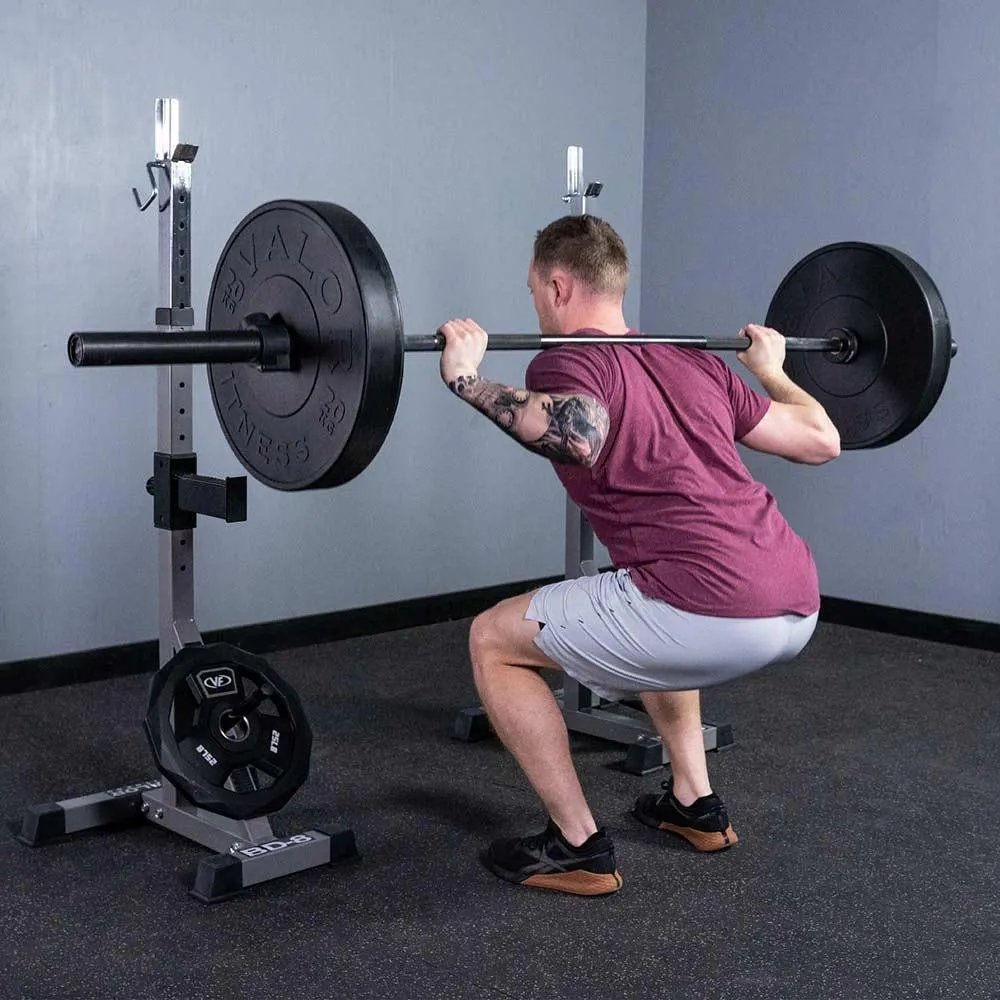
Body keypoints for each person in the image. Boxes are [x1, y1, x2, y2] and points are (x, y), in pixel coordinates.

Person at [436, 215, 839, 896]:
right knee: (643, 601)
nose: (534, 300)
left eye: (535, 287)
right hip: (796, 599)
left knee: (492, 640)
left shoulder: (567, 358)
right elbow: (820, 437)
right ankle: (694, 803)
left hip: (706, 606)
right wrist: (773, 374)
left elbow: (579, 435)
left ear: (559, 286)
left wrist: (466, 381)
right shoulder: (691, 359)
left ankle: (577, 846)